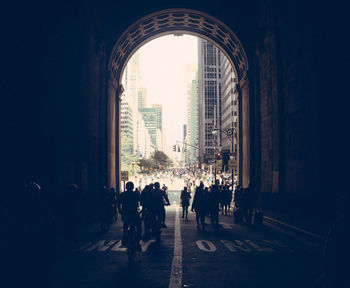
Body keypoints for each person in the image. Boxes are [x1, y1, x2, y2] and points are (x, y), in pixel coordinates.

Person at [118, 181, 141, 250]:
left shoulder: (122, 194)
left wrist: (120, 211)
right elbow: (142, 202)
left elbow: (118, 204)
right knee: (139, 227)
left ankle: (125, 236)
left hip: (125, 213)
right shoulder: (136, 194)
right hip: (134, 213)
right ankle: (137, 242)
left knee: (125, 224)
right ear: (133, 187)